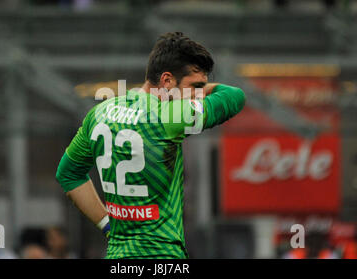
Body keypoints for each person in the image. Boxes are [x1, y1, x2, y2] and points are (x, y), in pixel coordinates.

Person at [56, 31, 246, 259]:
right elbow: (235, 96)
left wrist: (107, 224)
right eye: (194, 86)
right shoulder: (172, 116)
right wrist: (205, 89)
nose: (196, 97)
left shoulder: (100, 112)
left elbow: (68, 174)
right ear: (167, 81)